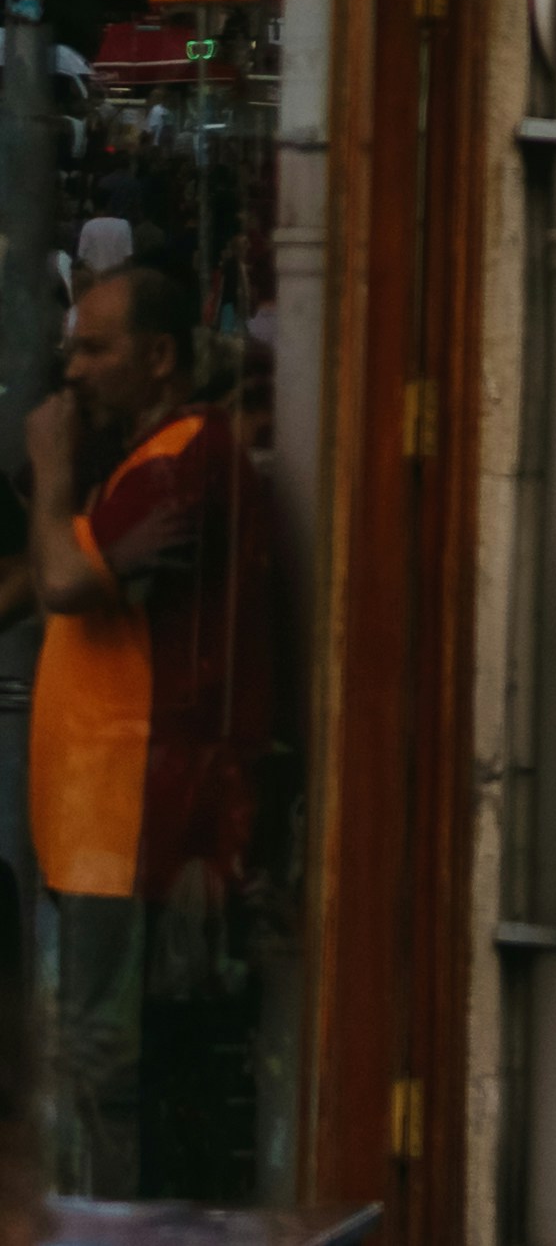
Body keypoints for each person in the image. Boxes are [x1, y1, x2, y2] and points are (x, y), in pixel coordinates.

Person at [25, 263, 273, 1197]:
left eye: (96, 347)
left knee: (101, 1067)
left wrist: (52, 478)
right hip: (113, 814)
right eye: (70, 349)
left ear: (159, 355)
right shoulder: (153, 455)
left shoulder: (175, 457)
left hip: (125, 815)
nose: (75, 369)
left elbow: (61, 580)